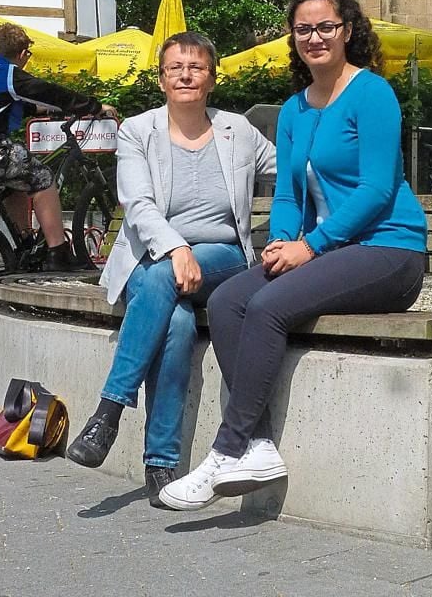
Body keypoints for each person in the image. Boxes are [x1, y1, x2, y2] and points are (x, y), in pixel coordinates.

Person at [159, 0, 427, 511]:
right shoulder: (293, 110)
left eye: (326, 27)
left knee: (267, 306)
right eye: (303, 29)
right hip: (327, 249)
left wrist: (312, 245)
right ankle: (256, 444)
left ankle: (227, 449)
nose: (315, 38)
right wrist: (283, 240)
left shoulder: (372, 94)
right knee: (226, 299)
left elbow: (376, 189)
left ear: (347, 30)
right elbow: (286, 191)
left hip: (389, 251)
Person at [66, 30, 277, 508]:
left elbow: (289, 169)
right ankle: (161, 466)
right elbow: (138, 205)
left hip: (222, 257)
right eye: (175, 67)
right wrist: (176, 247)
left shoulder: (237, 130)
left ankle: (108, 412)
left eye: (196, 66)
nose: (185, 74)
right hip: (150, 255)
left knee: (166, 279)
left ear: (211, 78)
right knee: (177, 321)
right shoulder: (138, 131)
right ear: (162, 79)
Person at [0, 22, 116, 269]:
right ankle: (58, 254)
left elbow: (17, 104)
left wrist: (52, 110)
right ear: (22, 54)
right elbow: (49, 91)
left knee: (17, 182)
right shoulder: (9, 73)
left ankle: (25, 245)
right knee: (42, 177)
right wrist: (93, 106)